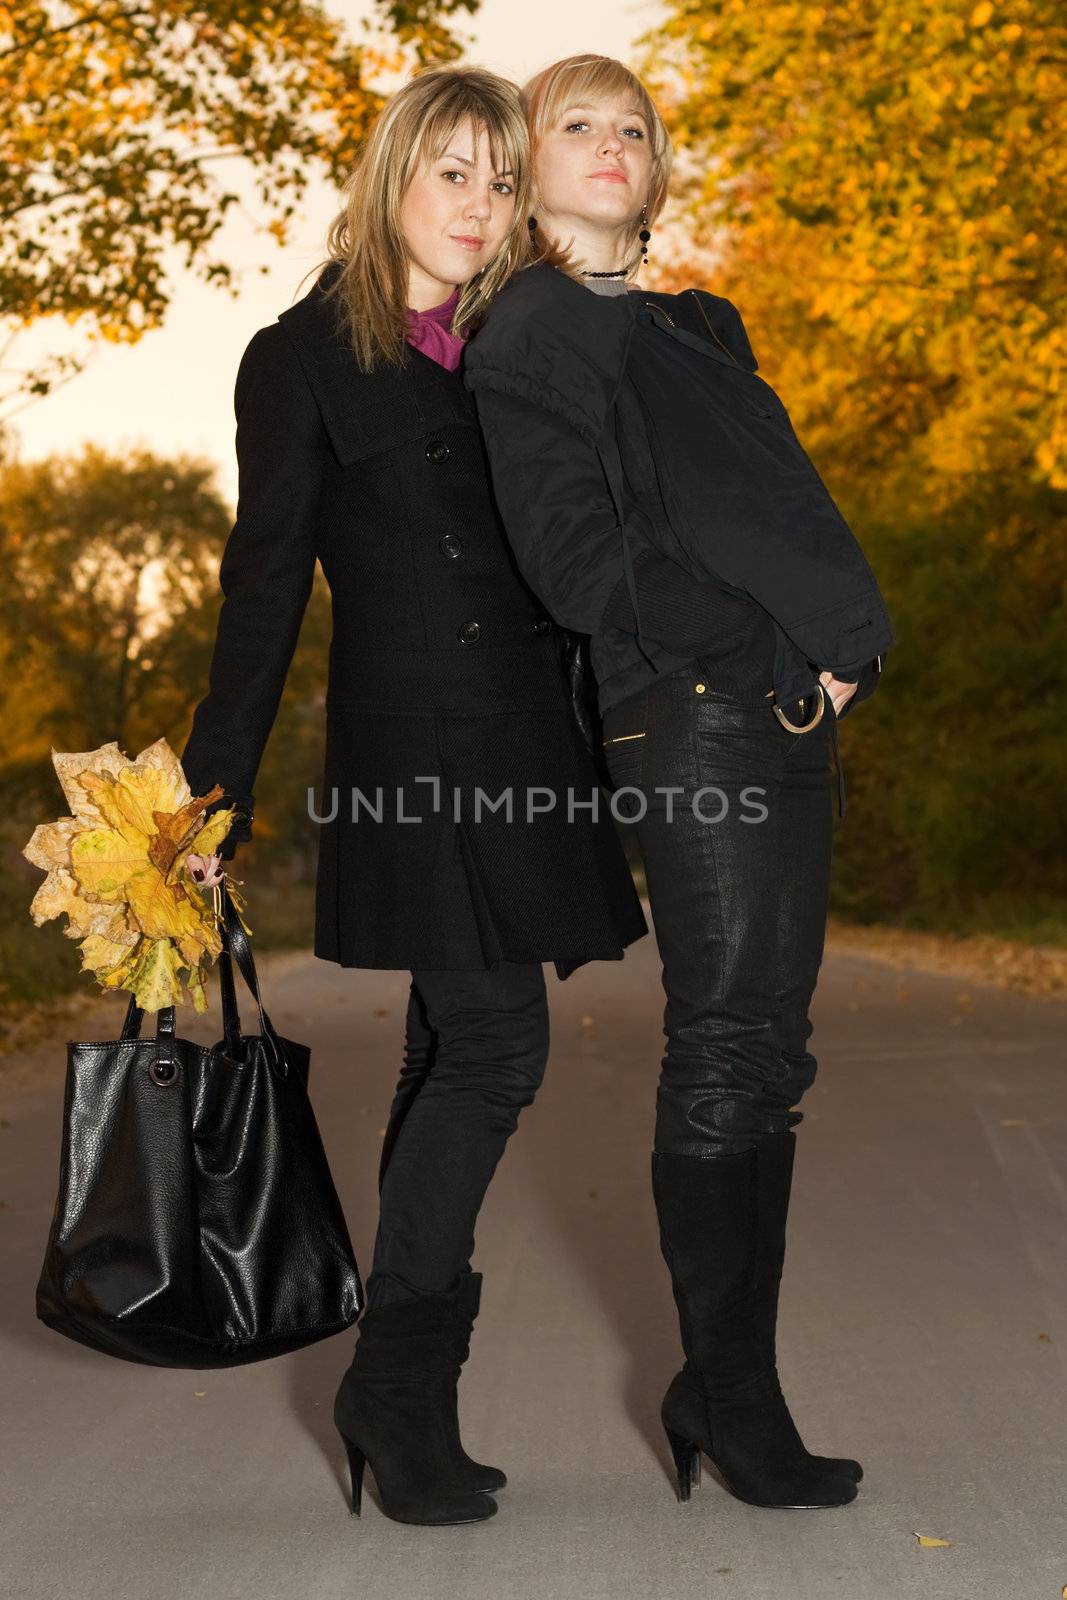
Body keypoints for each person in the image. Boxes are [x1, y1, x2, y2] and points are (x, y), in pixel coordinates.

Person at [179, 64, 647, 1528]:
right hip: (419, 761)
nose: (482, 202)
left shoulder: (522, 341)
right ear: (392, 177)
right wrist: (212, 795)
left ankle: (410, 1403)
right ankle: (391, 1386)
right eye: (453, 170)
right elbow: (262, 595)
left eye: (502, 180)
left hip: (538, 751)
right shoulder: (302, 356)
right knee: (500, 1048)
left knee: (452, 1045)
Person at [462, 54, 896, 1512]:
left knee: (764, 1048)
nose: (609, 145)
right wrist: (780, 651)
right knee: (729, 1043)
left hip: (767, 709)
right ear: (530, 168)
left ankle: (723, 1383)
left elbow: (766, 505)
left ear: (657, 174)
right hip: (700, 708)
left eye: (632, 131)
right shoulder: (528, 330)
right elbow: (583, 567)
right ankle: (733, 1395)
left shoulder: (691, 329)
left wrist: (823, 653)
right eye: (574, 124)